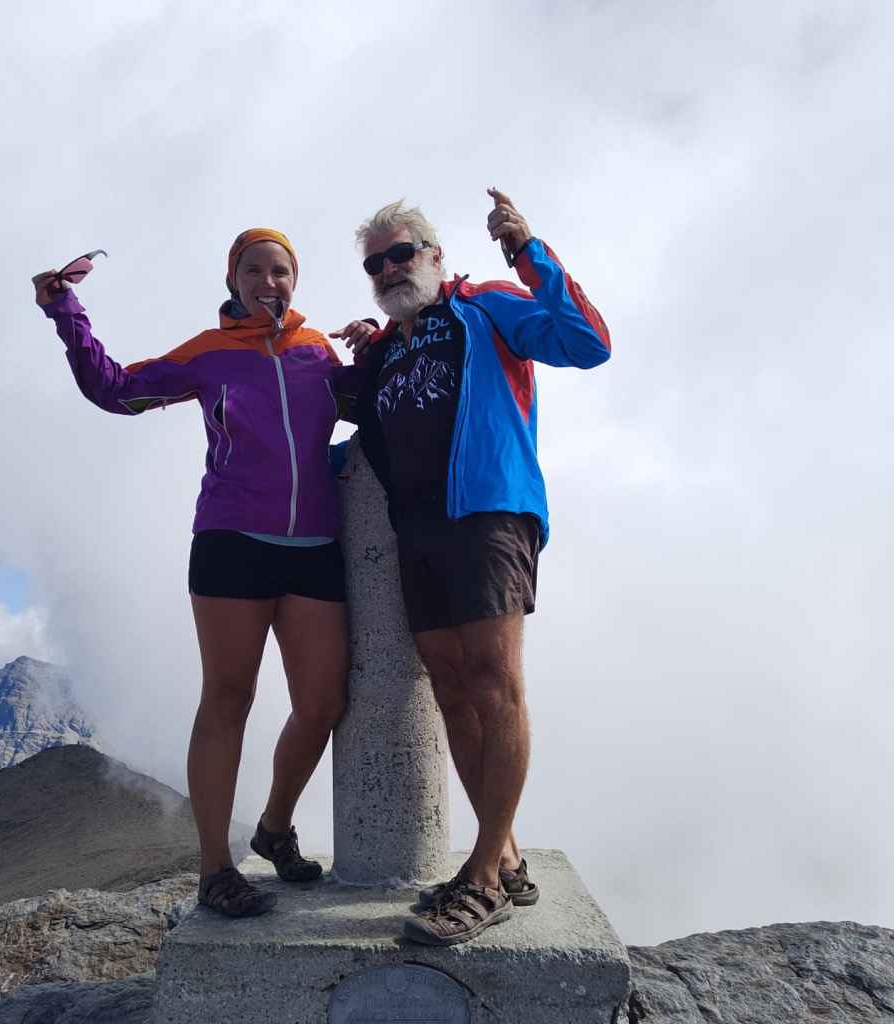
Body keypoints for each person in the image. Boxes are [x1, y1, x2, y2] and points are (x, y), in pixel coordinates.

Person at [32, 229, 374, 918]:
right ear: (233, 280)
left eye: (281, 270)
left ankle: (274, 829)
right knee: (228, 699)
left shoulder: (317, 351)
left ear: (294, 280)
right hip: (230, 541)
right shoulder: (208, 352)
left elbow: (363, 405)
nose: (269, 281)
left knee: (321, 704)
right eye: (254, 270)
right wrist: (66, 312)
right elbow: (116, 390)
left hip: (314, 544)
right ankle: (216, 867)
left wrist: (374, 345)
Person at [340, 191, 611, 946]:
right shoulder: (390, 346)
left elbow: (587, 341)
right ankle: (507, 857)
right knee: (452, 689)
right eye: (375, 264)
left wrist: (526, 250)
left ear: (434, 256)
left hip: (489, 510)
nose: (390, 269)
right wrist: (363, 353)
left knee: (494, 682)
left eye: (402, 254)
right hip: (417, 528)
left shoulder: (484, 305)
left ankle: (483, 876)